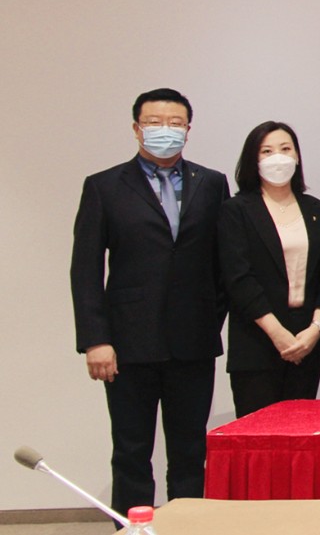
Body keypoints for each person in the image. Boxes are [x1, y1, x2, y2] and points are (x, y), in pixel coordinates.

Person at [69, 88, 230, 516]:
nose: (165, 130)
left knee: (190, 449)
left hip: (193, 342)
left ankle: (188, 523)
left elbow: (223, 264)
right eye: (154, 122)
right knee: (131, 449)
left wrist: (209, 320)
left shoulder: (212, 183)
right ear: (137, 128)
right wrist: (95, 339)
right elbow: (85, 271)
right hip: (127, 343)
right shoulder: (104, 186)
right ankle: (133, 527)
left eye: (175, 123)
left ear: (188, 130)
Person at [216, 121, 320, 416]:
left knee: (302, 434)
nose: (277, 157)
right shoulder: (236, 210)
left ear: (297, 156)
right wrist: (277, 333)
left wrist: (316, 329)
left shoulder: (318, 210)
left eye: (285, 149)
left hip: (307, 340)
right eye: (266, 151)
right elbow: (238, 278)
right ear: (253, 160)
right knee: (258, 434)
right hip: (257, 341)